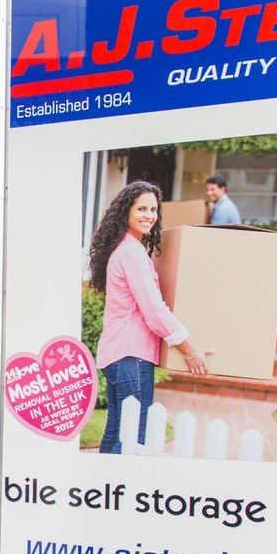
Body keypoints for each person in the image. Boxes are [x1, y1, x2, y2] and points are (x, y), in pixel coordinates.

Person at [90, 181, 208, 455]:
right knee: (132, 440)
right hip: (131, 356)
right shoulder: (132, 253)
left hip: (119, 355)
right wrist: (189, 350)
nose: (149, 215)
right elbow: (154, 311)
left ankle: (103, 490)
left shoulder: (127, 249)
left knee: (117, 433)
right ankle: (116, 493)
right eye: (141, 208)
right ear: (126, 212)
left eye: (153, 209)